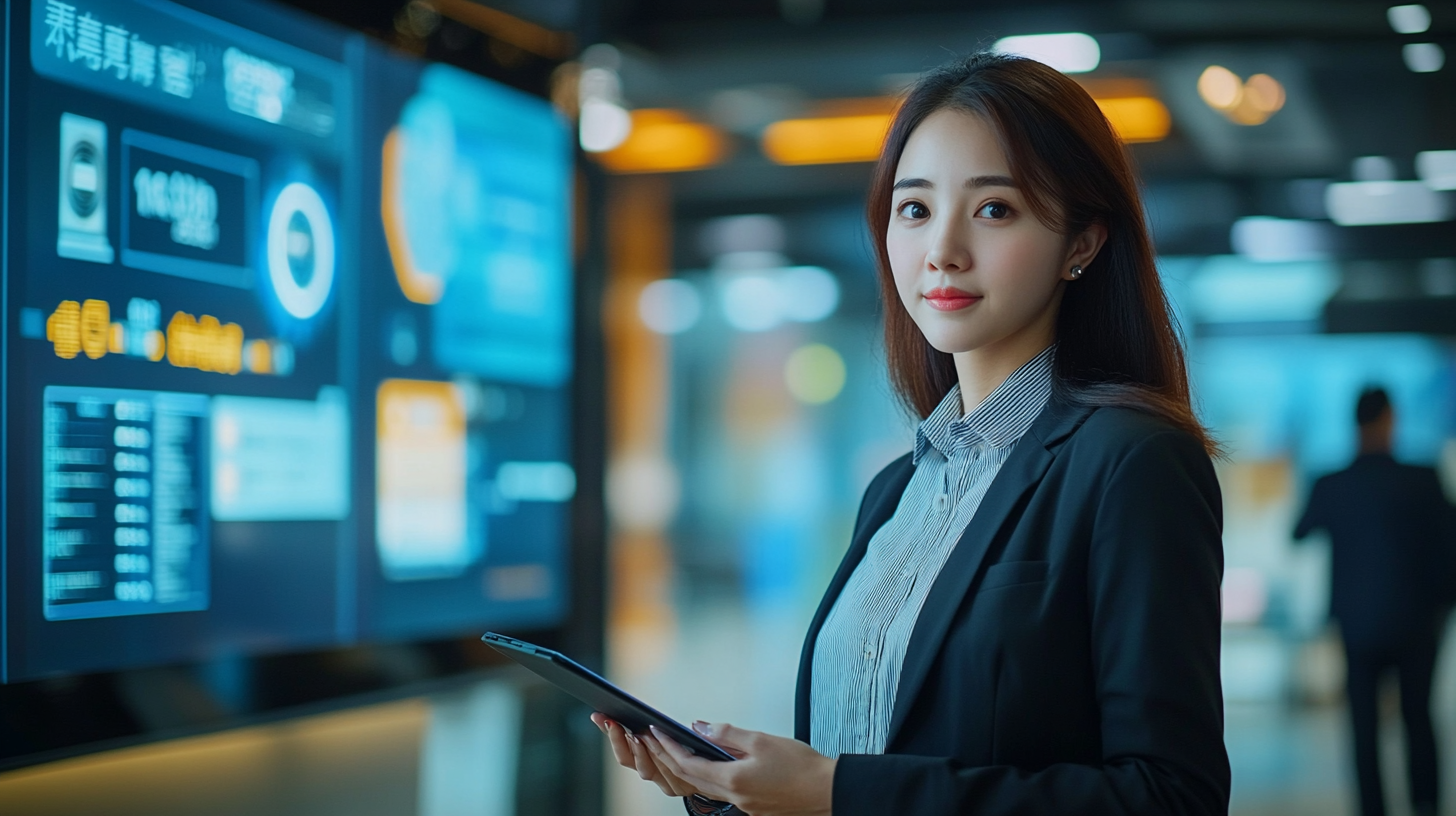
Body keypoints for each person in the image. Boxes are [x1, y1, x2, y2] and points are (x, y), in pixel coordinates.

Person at [592, 52, 1230, 816]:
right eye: (915, 209)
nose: (943, 250)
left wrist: (836, 791)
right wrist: (736, 790)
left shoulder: (1131, 460)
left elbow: (1170, 797)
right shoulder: (896, 488)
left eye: (994, 209)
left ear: (1082, 243)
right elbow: (865, 763)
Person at [1294, 387, 1454, 816]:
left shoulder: (1332, 482)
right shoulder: (1422, 479)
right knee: (1417, 719)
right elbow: (1448, 547)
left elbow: (1299, 531)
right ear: (1390, 419)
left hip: (1356, 623)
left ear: (1355, 422)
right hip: (1418, 623)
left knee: (1363, 729)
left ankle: (1372, 809)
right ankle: (1425, 804)